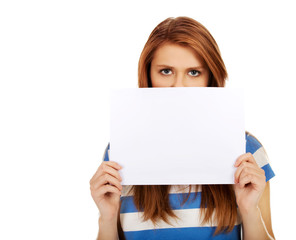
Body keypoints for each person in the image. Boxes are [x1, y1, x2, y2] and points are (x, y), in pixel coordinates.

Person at [90, 16, 276, 240]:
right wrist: (107, 219)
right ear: (148, 76)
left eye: (194, 72)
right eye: (166, 71)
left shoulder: (247, 150)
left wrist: (250, 210)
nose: (179, 86)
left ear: (210, 78)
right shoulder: (121, 152)